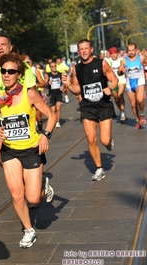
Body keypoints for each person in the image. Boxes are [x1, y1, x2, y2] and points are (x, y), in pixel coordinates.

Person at [0, 53, 56, 248]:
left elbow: (51, 115)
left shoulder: (30, 94)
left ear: (19, 74)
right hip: (10, 151)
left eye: (11, 71)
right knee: (17, 194)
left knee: (33, 198)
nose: (6, 75)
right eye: (3, 71)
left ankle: (43, 184)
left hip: (31, 149)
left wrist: (46, 135)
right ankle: (28, 230)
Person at [62, 39, 118, 181]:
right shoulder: (77, 68)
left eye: (86, 48)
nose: (84, 51)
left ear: (91, 49)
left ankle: (109, 141)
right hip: (87, 106)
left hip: (104, 104)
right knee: (91, 138)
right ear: (78, 51)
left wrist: (110, 88)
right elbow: (77, 89)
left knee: (104, 140)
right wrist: (68, 84)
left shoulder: (102, 63)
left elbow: (115, 79)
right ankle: (99, 168)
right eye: (81, 49)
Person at [0, 33, 36, 167]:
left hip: (22, 117)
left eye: (3, 44)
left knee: (26, 158)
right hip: (0, 118)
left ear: (10, 47)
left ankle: (35, 176)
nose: (0, 48)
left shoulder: (23, 67)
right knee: (3, 160)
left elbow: (32, 91)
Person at [118, 43, 146, 129]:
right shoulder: (124, 60)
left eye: (132, 50)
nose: (131, 52)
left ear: (136, 50)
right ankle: (137, 120)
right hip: (129, 84)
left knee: (140, 99)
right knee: (133, 105)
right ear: (127, 51)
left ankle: (141, 114)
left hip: (139, 82)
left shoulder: (141, 58)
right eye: (129, 50)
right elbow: (119, 72)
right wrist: (122, 71)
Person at [107, 47, 127, 121]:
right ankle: (122, 110)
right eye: (111, 54)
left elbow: (126, 67)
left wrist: (125, 70)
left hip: (121, 80)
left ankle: (122, 112)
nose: (113, 55)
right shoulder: (108, 61)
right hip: (112, 82)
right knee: (116, 98)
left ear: (117, 53)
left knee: (120, 95)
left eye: (114, 53)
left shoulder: (121, 60)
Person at [47, 61, 65, 128]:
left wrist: (63, 86)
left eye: (55, 66)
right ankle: (53, 121)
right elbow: (45, 83)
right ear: (50, 67)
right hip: (52, 94)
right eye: (52, 67)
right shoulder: (48, 75)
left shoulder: (60, 74)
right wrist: (48, 83)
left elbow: (64, 82)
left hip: (58, 93)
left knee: (58, 107)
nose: (54, 67)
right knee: (53, 110)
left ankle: (57, 121)